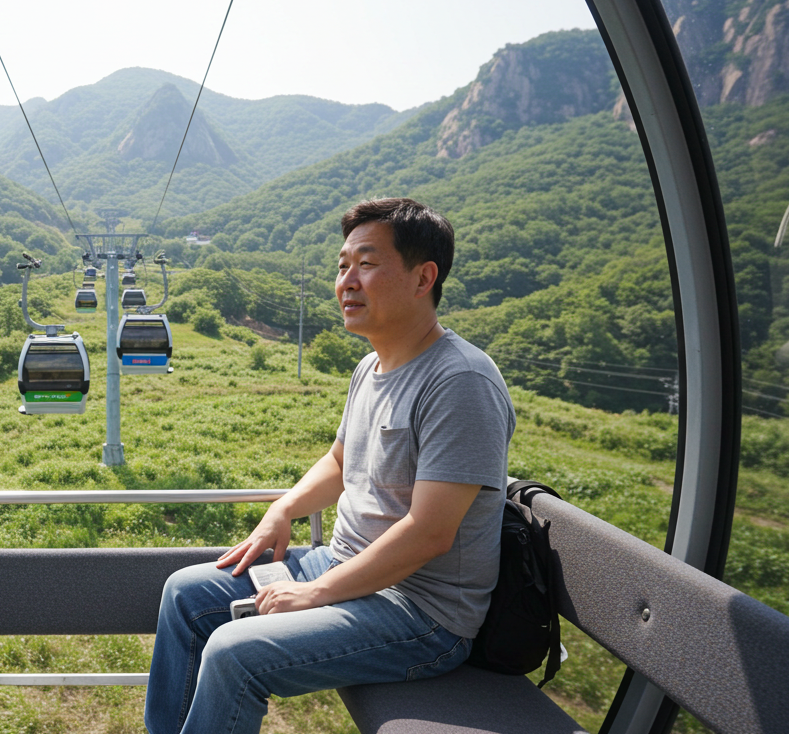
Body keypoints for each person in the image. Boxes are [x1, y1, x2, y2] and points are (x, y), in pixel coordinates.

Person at [145, 198, 515, 734]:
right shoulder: (372, 366)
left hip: (420, 613)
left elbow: (431, 532)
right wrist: (286, 507)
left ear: (423, 278)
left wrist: (315, 594)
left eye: (366, 264)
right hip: (344, 563)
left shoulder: (461, 382)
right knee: (186, 594)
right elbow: (342, 460)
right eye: (343, 266)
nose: (346, 281)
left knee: (233, 651)